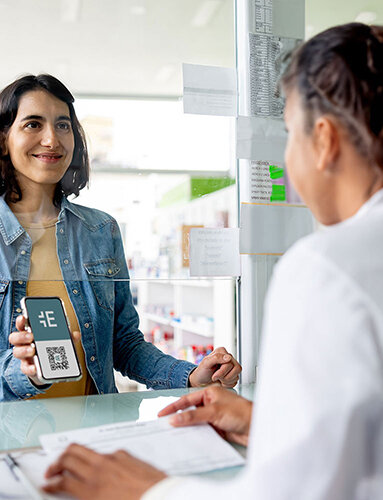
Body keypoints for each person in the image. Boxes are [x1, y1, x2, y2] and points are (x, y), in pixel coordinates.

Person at [43, 22, 383, 499]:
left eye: (290, 133)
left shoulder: (326, 268)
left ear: (324, 141)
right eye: (33, 124)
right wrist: (271, 425)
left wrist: (145, 489)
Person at [0, 74, 241, 404]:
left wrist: (190, 375)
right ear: (3, 140)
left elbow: (124, 344)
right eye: (33, 125)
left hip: (90, 433)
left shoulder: (101, 230)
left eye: (63, 125)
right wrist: (22, 370)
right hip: (4, 440)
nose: (52, 139)